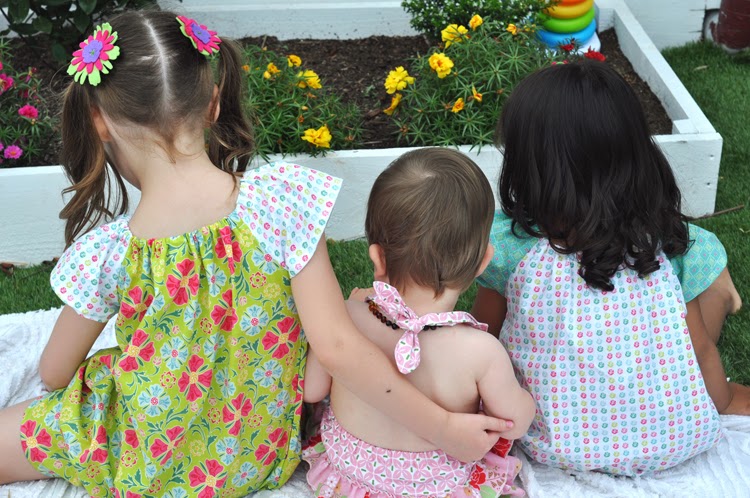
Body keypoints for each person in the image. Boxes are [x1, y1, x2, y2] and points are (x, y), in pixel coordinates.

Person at [0, 11, 510, 496]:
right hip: (259, 453)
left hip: (148, 457)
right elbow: (336, 347)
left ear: (99, 122)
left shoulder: (108, 254)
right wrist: (442, 426)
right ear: (214, 102)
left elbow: (53, 374)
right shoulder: (281, 203)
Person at [471, 59, 748, 477]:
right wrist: (724, 403)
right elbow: (700, 348)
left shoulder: (508, 246)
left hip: (552, 443)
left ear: (531, 166)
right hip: (678, 440)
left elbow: (481, 339)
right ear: (636, 154)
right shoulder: (664, 242)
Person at [303, 148, 536, 497]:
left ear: (378, 257)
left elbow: (311, 390)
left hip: (352, 478)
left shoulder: (346, 317)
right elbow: (514, 423)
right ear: (484, 261)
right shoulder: (480, 351)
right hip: (439, 486)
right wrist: (527, 400)